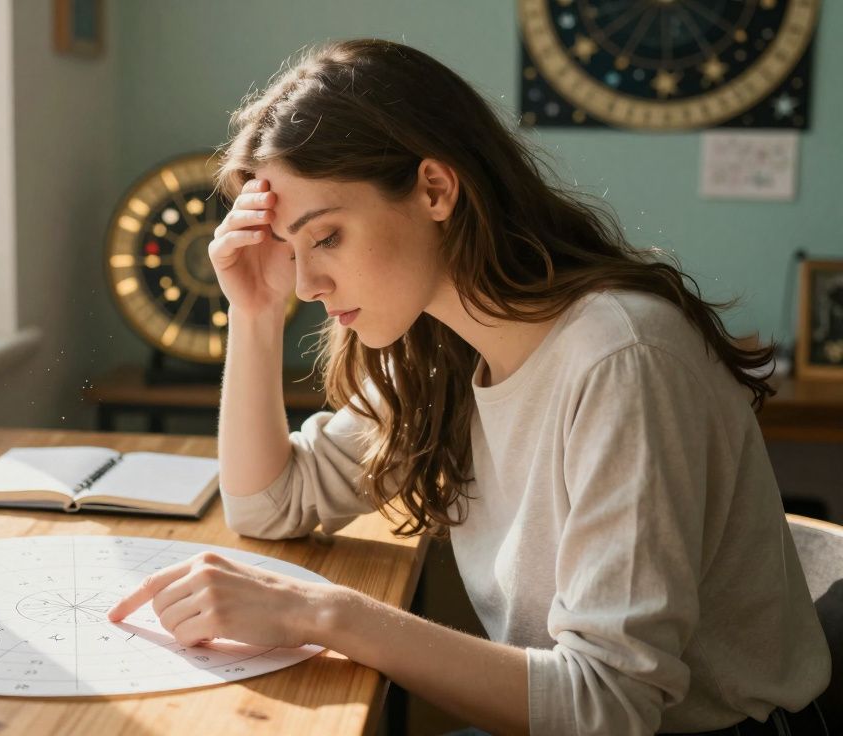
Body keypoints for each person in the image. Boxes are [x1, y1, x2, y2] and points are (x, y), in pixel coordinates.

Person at [105, 39, 830, 735]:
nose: (306, 283)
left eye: (325, 237)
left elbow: (608, 707)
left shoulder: (621, 358)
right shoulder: (443, 343)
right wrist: (256, 314)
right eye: (289, 248)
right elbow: (269, 503)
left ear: (435, 188)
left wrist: (323, 615)